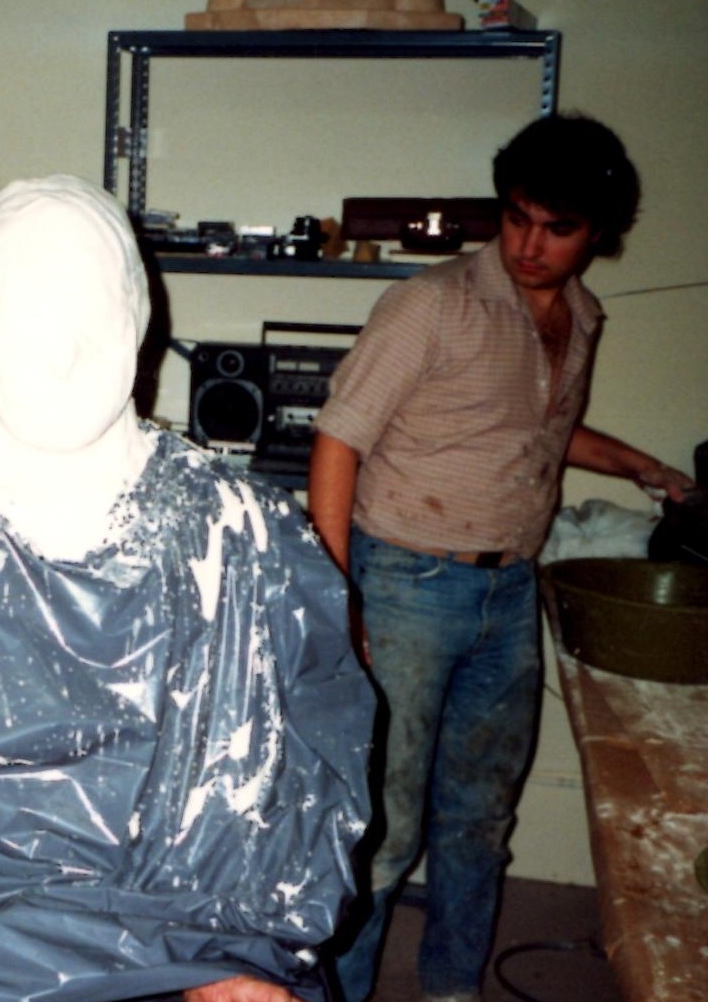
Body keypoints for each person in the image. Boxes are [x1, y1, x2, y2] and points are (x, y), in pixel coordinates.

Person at [0, 175, 376, 1002]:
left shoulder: (246, 533)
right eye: (24, 320)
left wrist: (249, 954)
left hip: (201, 939)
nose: (59, 354)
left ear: (141, 327)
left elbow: (308, 770)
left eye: (87, 319)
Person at [308, 113, 697, 1002]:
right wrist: (340, 600)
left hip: (508, 594)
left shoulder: (583, 318)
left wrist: (640, 464)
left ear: (599, 233)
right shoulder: (430, 305)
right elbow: (336, 441)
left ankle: (450, 987)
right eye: (516, 217)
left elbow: (537, 428)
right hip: (403, 584)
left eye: (556, 229)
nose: (528, 244)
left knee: (479, 818)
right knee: (384, 829)